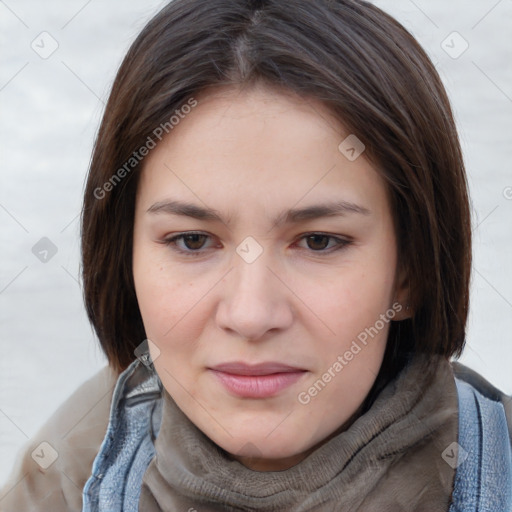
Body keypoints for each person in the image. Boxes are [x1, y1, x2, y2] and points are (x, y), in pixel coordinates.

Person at [1, 0, 511, 510]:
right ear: (123, 257)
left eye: (318, 241)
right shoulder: (64, 477)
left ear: (410, 272)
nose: (250, 315)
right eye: (192, 241)